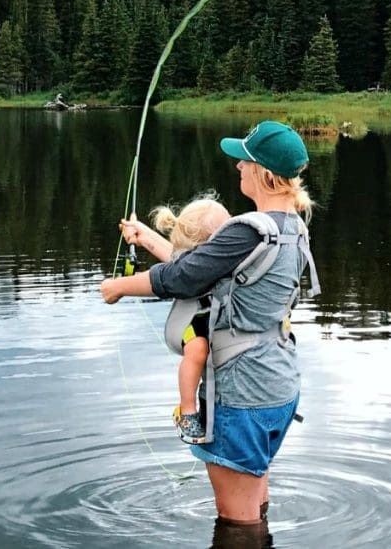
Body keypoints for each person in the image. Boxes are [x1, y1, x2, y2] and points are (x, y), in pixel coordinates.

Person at [101, 120, 316, 526]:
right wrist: (146, 238)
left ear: (265, 174)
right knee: (256, 505)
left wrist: (119, 287)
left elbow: (181, 278)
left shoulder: (247, 232)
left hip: (243, 395)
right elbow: (203, 271)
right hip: (279, 388)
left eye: (245, 161)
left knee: (237, 524)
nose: (238, 167)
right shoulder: (291, 230)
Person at [149, 194, 231, 443]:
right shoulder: (193, 262)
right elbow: (168, 268)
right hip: (194, 324)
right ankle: (186, 410)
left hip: (218, 320)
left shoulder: (226, 254)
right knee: (197, 350)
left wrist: (142, 234)